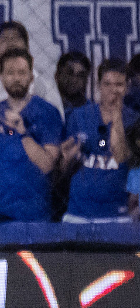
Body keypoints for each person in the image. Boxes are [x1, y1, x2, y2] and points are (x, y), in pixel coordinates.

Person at [0, 48, 62, 222]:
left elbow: (47, 165)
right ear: (1, 78)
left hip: (33, 211)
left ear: (31, 76)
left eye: (22, 72)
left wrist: (23, 133)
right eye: (10, 73)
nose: (16, 78)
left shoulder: (47, 112)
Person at [59, 60, 137, 223]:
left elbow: (121, 156)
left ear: (127, 87)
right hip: (78, 211)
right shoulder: (78, 116)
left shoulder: (134, 120)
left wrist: (116, 115)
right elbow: (62, 169)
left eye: (118, 85)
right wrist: (67, 158)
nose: (113, 90)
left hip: (116, 214)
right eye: (107, 84)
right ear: (98, 86)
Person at [0, 21, 62, 117]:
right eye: (4, 39)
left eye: (16, 38)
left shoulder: (43, 83)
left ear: (27, 46)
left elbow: (57, 120)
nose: (11, 42)